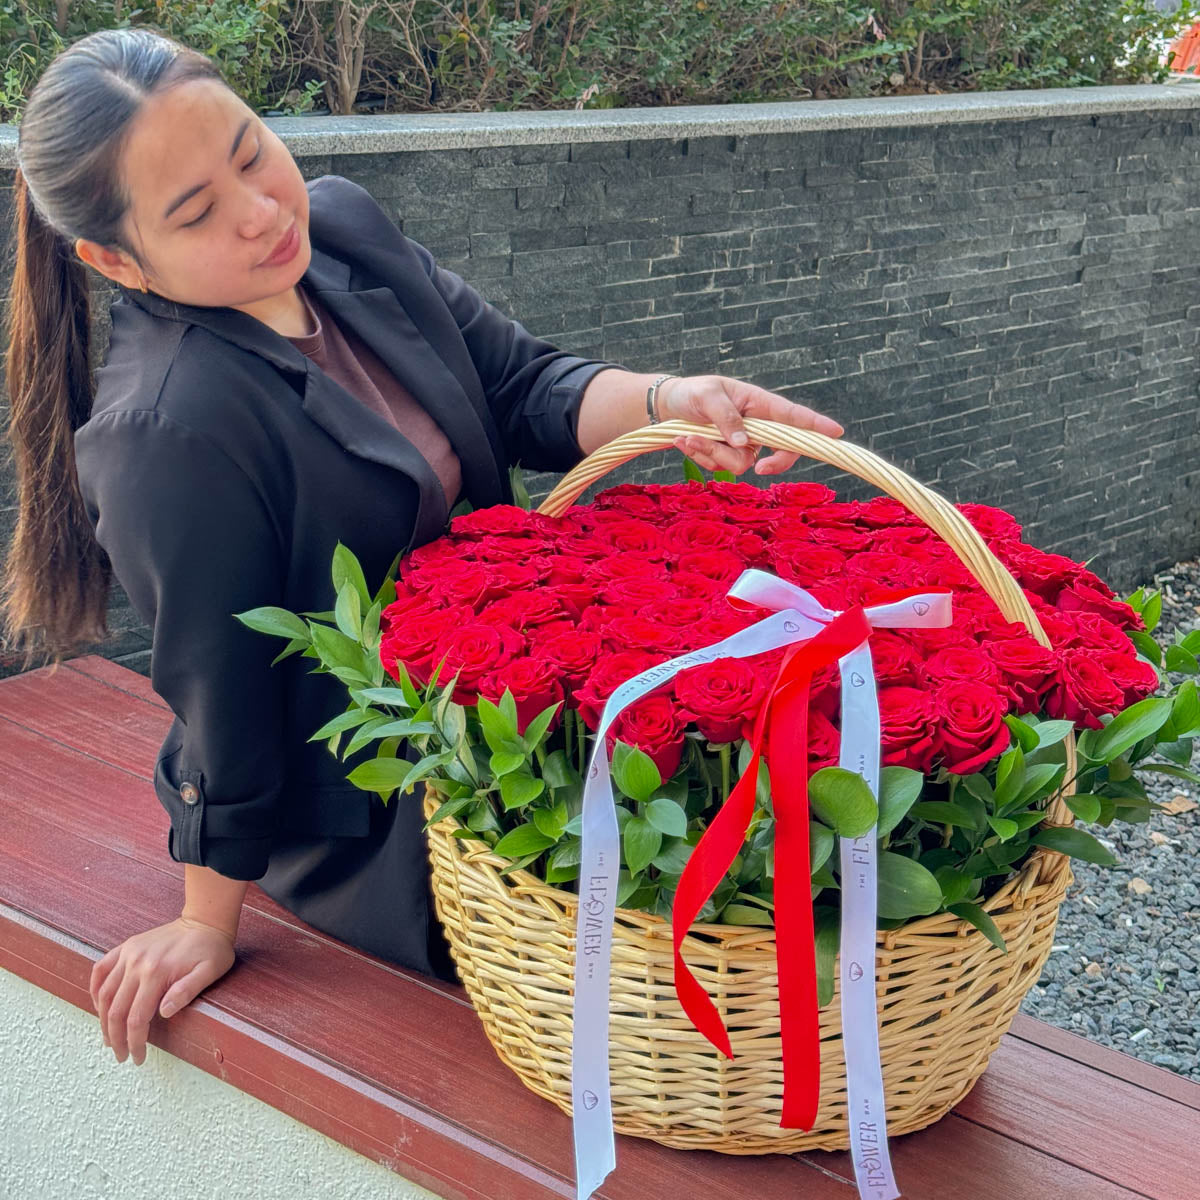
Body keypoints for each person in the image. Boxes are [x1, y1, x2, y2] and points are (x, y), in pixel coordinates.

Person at [0, 28, 845, 1069]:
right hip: (397, 804)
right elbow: (225, 694)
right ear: (114, 259)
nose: (262, 212)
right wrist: (205, 919)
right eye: (198, 212)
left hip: (531, 696)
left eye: (251, 152)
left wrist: (676, 402)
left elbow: (522, 387)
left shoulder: (345, 232)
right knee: (710, 924)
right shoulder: (168, 429)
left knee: (806, 777)